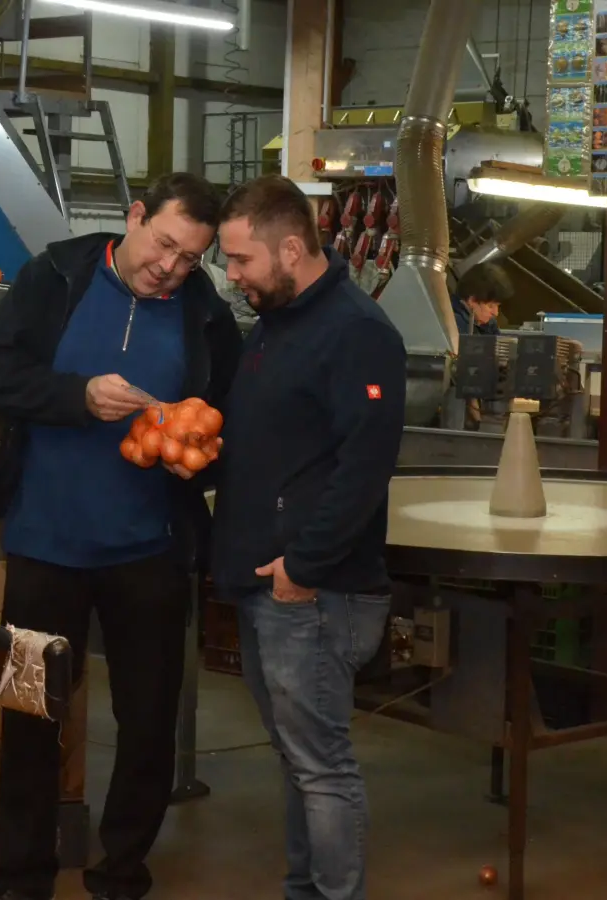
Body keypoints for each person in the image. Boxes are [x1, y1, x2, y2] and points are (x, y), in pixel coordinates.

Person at [0, 172, 243, 900]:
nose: (171, 268)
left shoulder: (203, 315)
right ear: (134, 216)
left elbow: (226, 420)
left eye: (191, 258)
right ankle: (19, 881)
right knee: (29, 719)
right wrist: (76, 396)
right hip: (41, 549)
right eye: (163, 245)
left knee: (147, 726)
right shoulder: (55, 277)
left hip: (148, 554)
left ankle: (121, 875)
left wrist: (195, 444)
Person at [208, 175, 407, 900]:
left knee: (322, 768)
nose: (232, 277)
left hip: (313, 593)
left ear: (291, 248)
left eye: (240, 261)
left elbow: (366, 464)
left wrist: (304, 565)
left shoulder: (356, 332)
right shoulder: (279, 322)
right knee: (298, 762)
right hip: (272, 586)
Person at [452, 261, 513, 335]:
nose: (495, 313)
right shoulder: (452, 323)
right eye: (490, 306)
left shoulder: (489, 323)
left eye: (498, 306)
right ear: (472, 300)